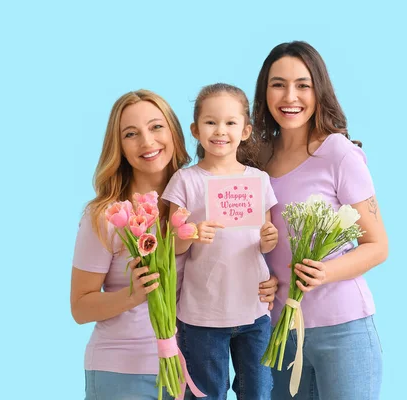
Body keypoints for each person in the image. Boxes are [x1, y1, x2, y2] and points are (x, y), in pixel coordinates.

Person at [70, 89, 279, 400]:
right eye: (131, 134)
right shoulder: (108, 216)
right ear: (120, 147)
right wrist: (134, 295)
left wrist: (261, 281)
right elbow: (80, 307)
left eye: (156, 127)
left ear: (176, 133)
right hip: (125, 371)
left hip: (189, 370)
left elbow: (230, 256)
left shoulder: (201, 197)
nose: (147, 141)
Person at [253, 41, 389, 400]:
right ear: (264, 91)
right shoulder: (255, 159)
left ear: (319, 90)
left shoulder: (339, 154)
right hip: (280, 332)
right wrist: (262, 278)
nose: (290, 96)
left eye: (303, 85)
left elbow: (377, 246)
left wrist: (324, 273)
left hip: (343, 332)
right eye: (278, 84)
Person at [162, 83, 279, 400]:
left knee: (257, 391)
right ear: (195, 130)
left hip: (253, 310)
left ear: (245, 130)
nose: (220, 131)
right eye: (211, 122)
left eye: (230, 122)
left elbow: (264, 241)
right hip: (202, 315)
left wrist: (270, 238)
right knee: (206, 393)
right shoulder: (185, 181)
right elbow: (171, 246)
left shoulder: (258, 180)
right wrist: (191, 234)